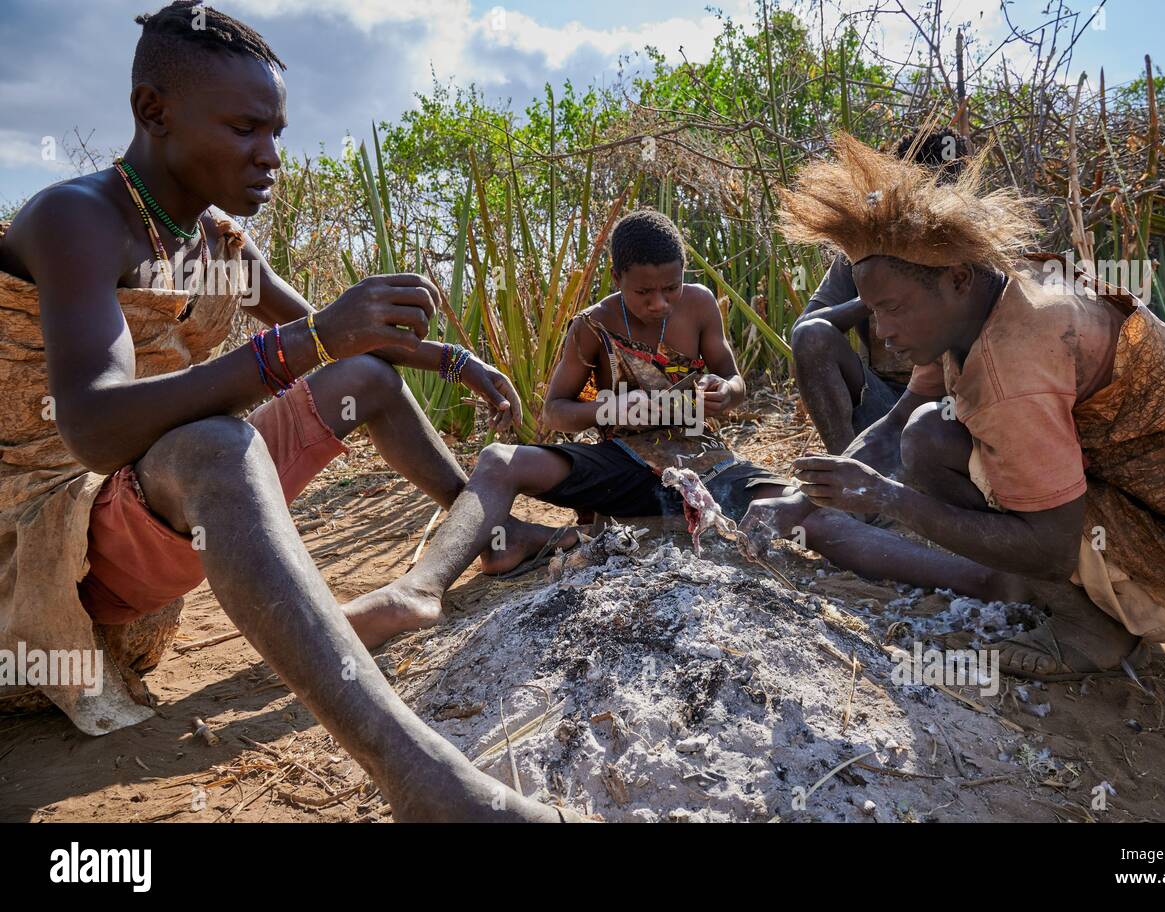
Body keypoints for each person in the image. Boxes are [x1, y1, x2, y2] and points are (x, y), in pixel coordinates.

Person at [0, 1, 576, 821]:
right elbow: (91, 428)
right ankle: (422, 781)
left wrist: (451, 358)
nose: (270, 155)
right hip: (48, 537)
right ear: (151, 112)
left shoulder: (216, 242)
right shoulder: (77, 220)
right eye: (244, 129)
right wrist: (306, 342)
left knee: (366, 378)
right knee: (215, 446)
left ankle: (488, 533)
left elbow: (340, 345)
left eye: (277, 131)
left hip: (149, 514)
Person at [741, 134, 1165, 680]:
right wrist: (800, 502)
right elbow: (899, 419)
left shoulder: (1016, 358)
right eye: (873, 312)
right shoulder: (977, 302)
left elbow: (1052, 548)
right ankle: (1043, 590)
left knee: (933, 443)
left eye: (891, 310)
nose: (880, 332)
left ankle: (1089, 628)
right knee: (927, 433)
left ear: (956, 279)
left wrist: (890, 498)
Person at [347, 208, 790, 621]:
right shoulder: (592, 326)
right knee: (500, 460)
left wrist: (723, 392)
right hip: (623, 467)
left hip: (703, 467)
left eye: (670, 288)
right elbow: (556, 411)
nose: (660, 303)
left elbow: (733, 379)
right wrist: (608, 409)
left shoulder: (701, 304)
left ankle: (638, 531)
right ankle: (421, 587)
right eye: (643, 292)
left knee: (794, 501)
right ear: (617, 278)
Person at [791, 127, 969, 459]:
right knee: (811, 336)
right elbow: (806, 330)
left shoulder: (974, 250)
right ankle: (848, 476)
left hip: (955, 412)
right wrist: (874, 297)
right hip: (884, 402)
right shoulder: (864, 248)